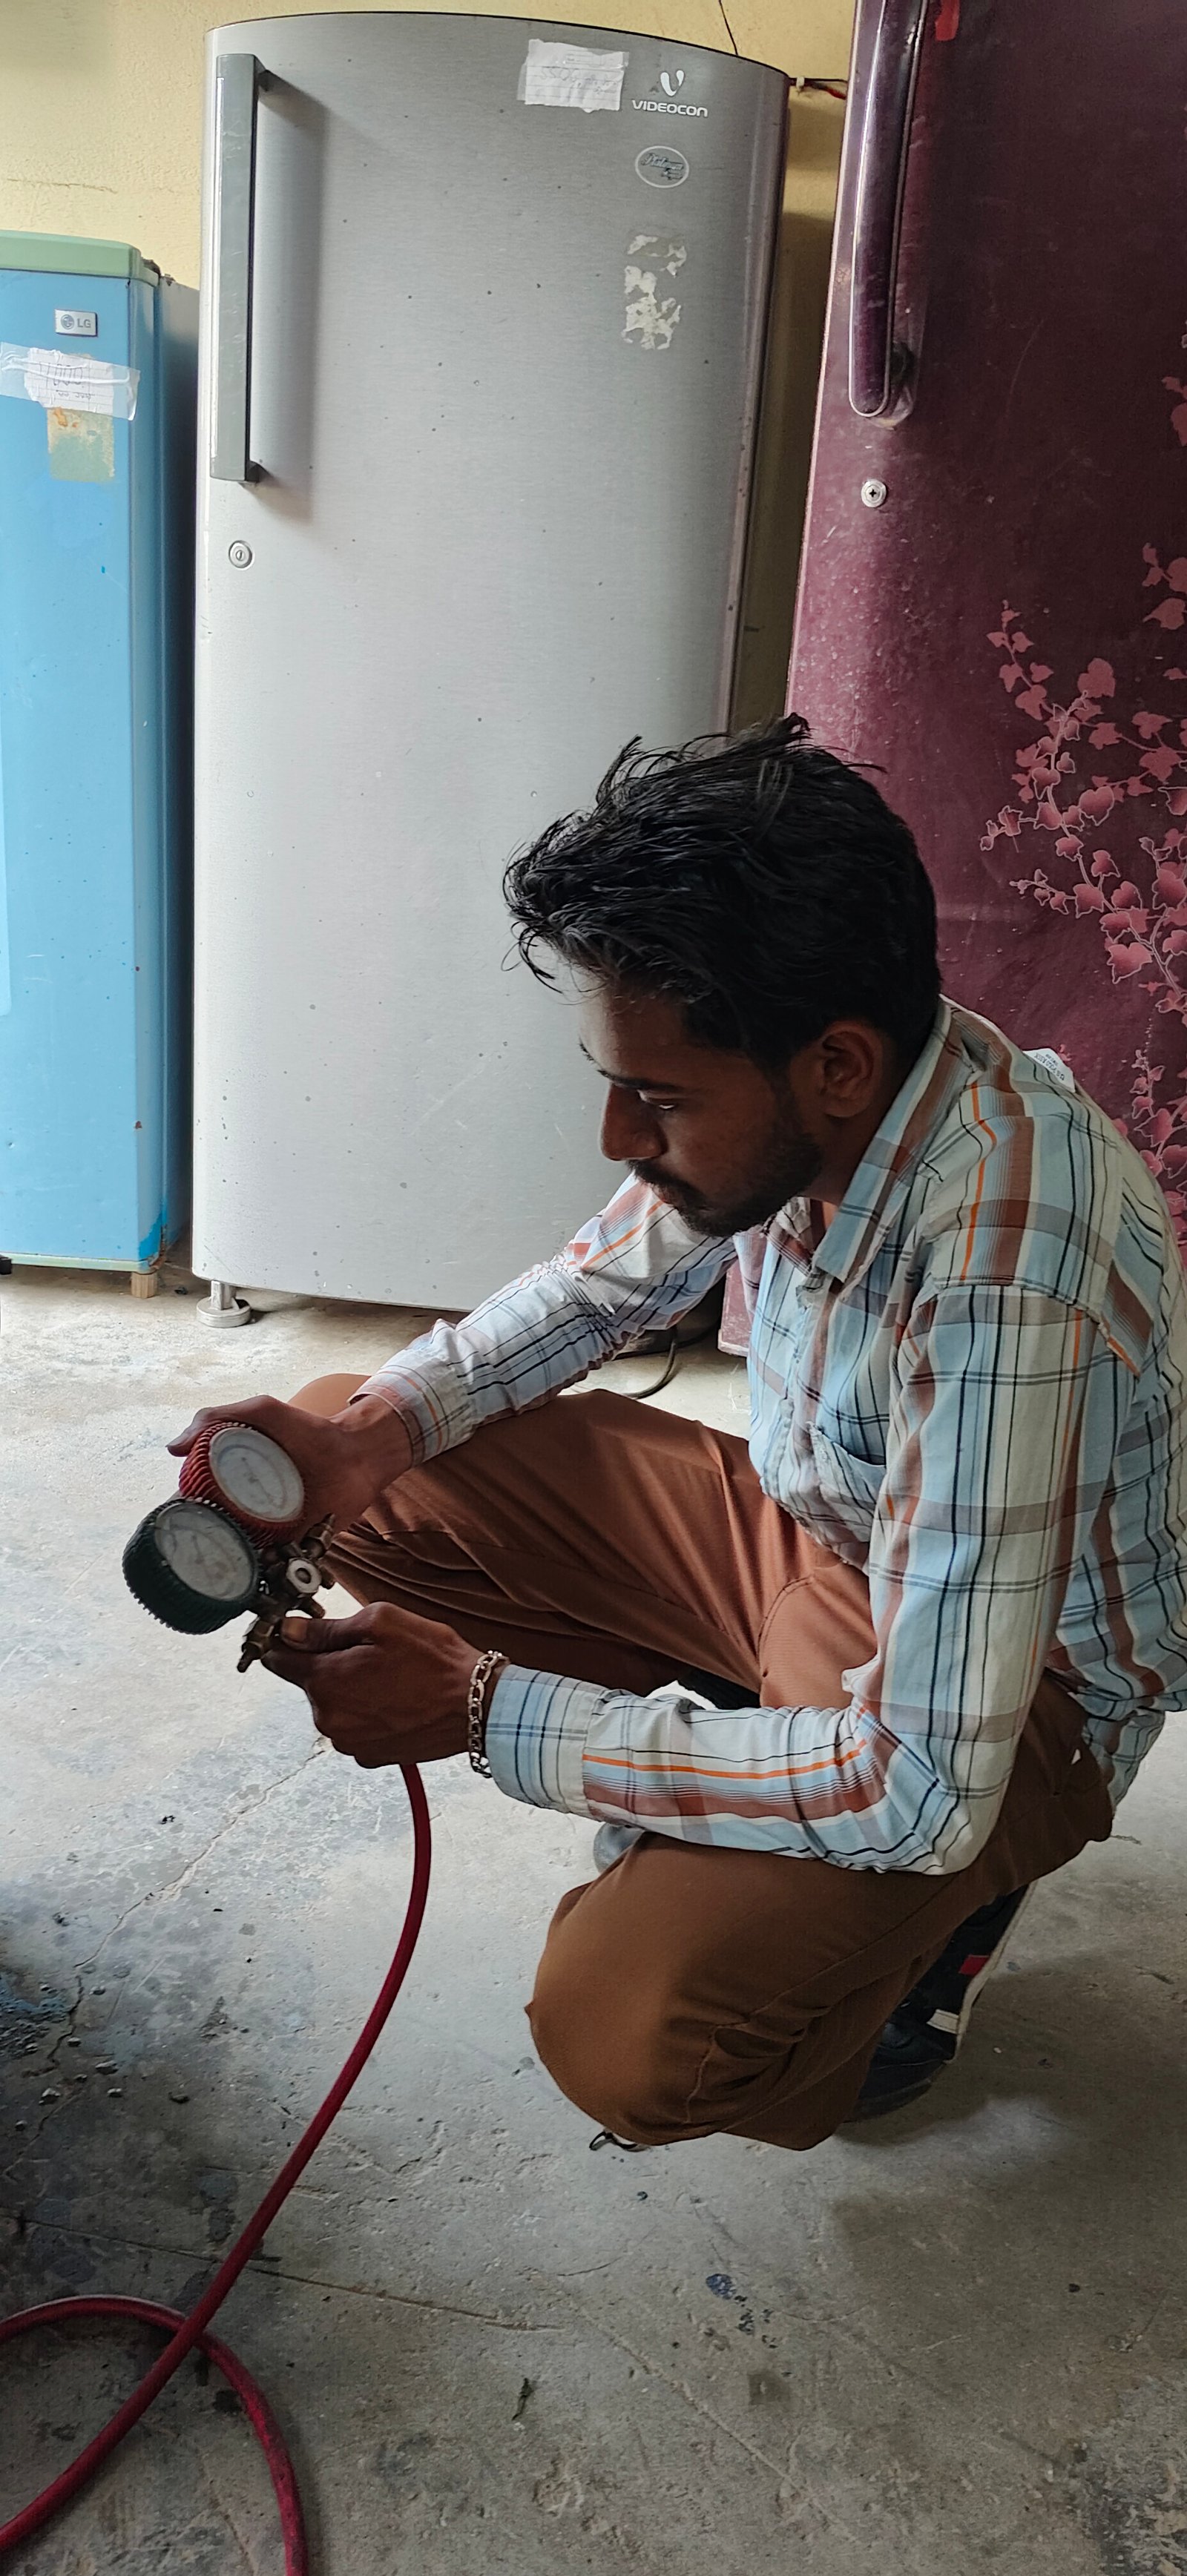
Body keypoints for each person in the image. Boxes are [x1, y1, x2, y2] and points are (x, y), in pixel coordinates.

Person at [172, 717, 1187, 2149]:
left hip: (1023, 1696)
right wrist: (379, 1428)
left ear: (834, 1063)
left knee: (631, 2031)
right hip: (821, 1534)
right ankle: (755, 1779)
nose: (615, 1136)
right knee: (360, 1454)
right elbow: (599, 1288)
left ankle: (917, 1944)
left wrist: (487, 1712)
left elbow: (918, 1786)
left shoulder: (1004, 1263)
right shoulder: (839, 1095)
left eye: (651, 1097)